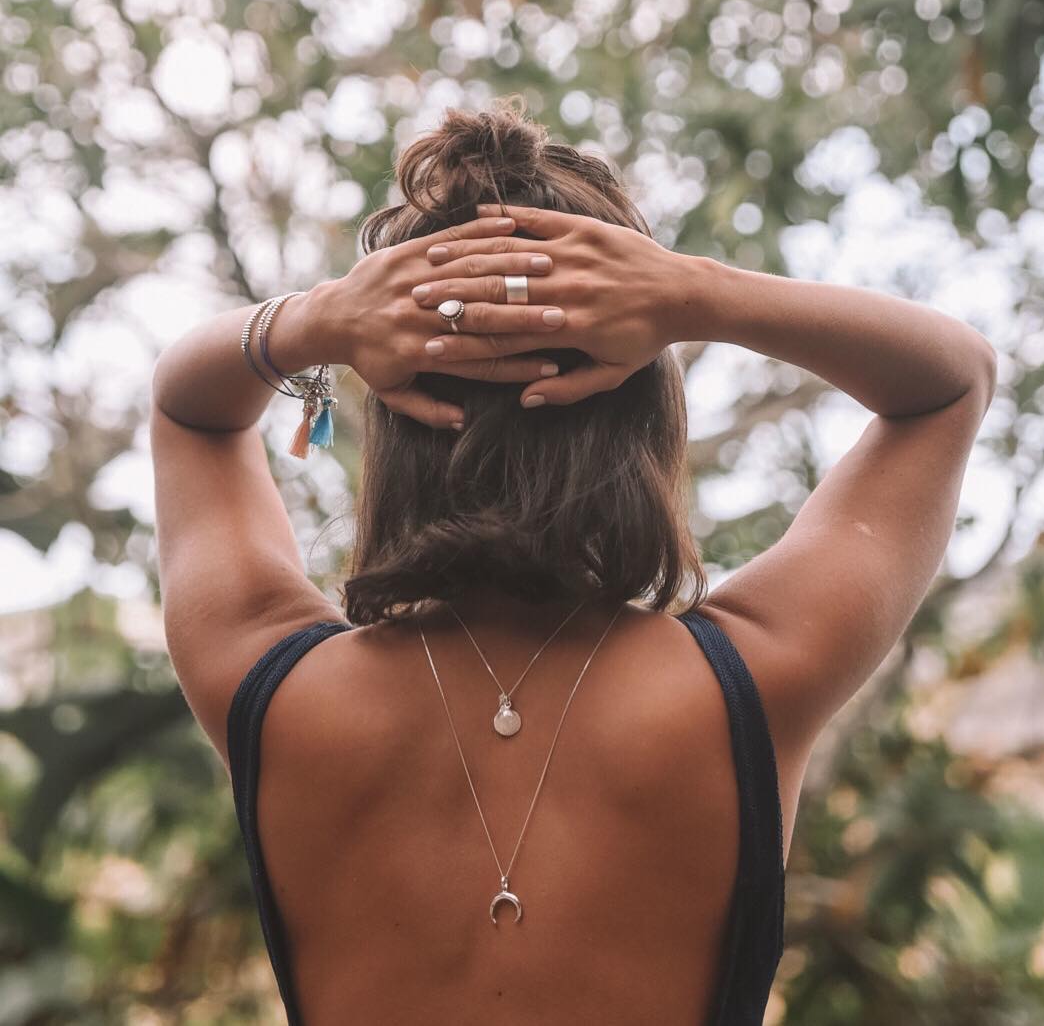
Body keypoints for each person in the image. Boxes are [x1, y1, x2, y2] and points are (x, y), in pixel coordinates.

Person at [150, 96, 997, 1025]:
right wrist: (693, 292)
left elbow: (188, 410)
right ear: (641, 422)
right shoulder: (753, 677)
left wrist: (316, 323)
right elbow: (950, 382)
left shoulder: (270, 688)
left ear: (393, 425)